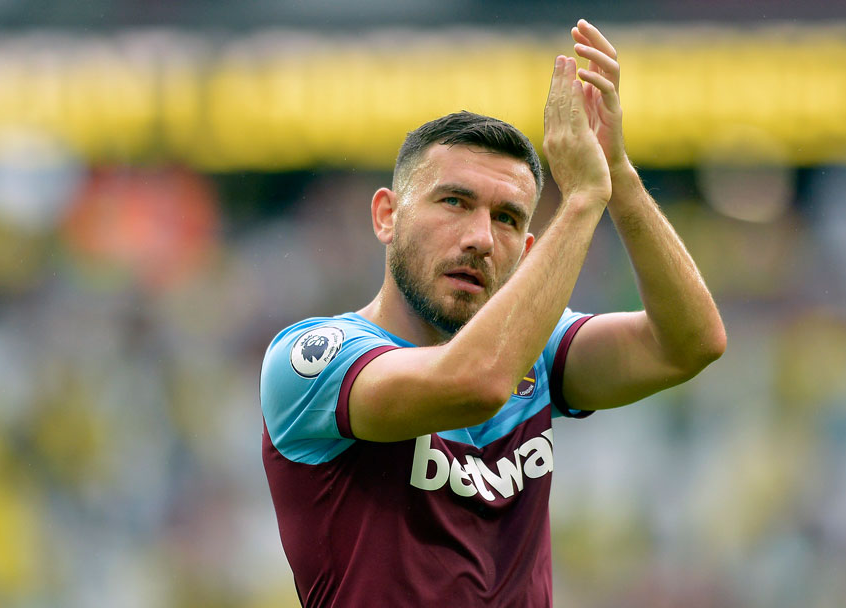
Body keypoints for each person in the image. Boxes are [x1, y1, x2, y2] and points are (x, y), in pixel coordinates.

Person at [260, 19, 725, 607]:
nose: (480, 237)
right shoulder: (312, 362)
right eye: (454, 202)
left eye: (507, 218)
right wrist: (581, 200)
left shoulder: (536, 347)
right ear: (387, 216)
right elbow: (476, 383)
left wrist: (619, 179)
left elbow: (689, 344)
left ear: (529, 252)